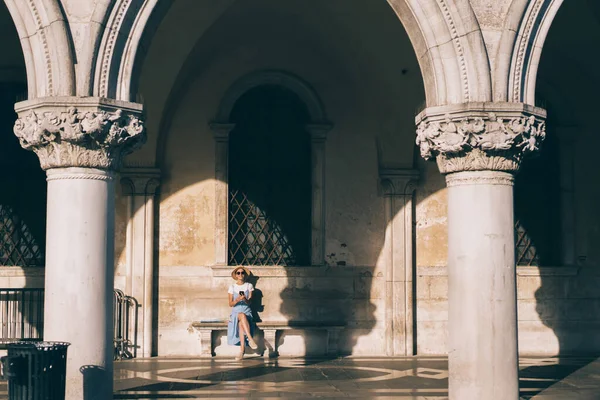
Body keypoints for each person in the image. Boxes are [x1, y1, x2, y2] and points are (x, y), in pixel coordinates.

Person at [227, 266, 258, 360]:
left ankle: (242, 352)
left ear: (245, 275)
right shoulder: (232, 287)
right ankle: (250, 339)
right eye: (238, 273)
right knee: (241, 315)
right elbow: (230, 304)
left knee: (242, 322)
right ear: (236, 275)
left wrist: (244, 298)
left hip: (247, 311)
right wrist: (237, 299)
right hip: (236, 312)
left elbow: (250, 303)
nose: (240, 275)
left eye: (242, 273)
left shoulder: (249, 286)